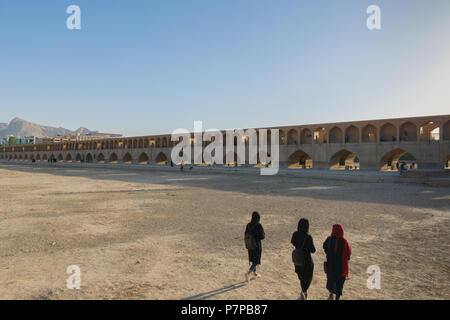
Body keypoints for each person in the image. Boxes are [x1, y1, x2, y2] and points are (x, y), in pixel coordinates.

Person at [323, 224, 351, 300]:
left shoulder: (329, 239)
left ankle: (331, 294)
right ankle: (337, 298)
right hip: (340, 268)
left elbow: (324, 246)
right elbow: (348, 254)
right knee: (339, 283)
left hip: (330, 266)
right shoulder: (344, 242)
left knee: (331, 280)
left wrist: (328, 253)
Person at [291, 218, 316, 300]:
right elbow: (313, 250)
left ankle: (303, 292)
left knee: (301, 277)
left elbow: (293, 242)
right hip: (307, 260)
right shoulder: (308, 237)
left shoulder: (295, 234)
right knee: (309, 277)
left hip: (297, 259)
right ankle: (304, 291)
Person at [244, 211, 265, 282]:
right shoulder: (259, 225)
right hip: (257, 246)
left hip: (250, 245)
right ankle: (248, 273)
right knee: (256, 261)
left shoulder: (248, 225)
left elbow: (245, 233)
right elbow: (262, 236)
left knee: (253, 259)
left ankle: (255, 273)